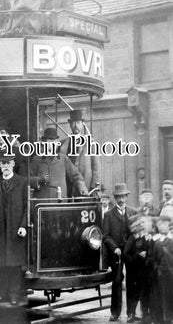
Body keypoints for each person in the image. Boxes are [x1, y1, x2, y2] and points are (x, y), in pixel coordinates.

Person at [0, 155, 28, 306]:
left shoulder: (22, 182)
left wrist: (23, 226)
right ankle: (1, 293)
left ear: (13, 164)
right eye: (2, 163)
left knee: (14, 264)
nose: (5, 166)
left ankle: (14, 295)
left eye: (8, 163)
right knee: (0, 263)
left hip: (15, 229)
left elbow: (27, 208)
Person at [102, 183, 136, 322]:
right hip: (116, 253)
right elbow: (105, 235)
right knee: (116, 282)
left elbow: (135, 233)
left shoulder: (133, 212)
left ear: (126, 197)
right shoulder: (108, 215)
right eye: (118, 197)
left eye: (123, 196)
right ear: (114, 198)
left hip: (130, 252)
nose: (121, 200)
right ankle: (115, 312)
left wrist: (130, 246)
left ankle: (131, 313)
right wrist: (114, 247)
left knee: (131, 281)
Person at [30, 128, 87, 198]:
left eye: (55, 141)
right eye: (50, 141)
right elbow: (28, 179)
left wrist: (82, 188)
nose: (53, 143)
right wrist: (39, 180)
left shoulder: (64, 159)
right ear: (44, 142)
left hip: (60, 201)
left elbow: (76, 175)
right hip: (42, 202)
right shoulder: (36, 160)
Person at [59, 110, 101, 197]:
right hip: (67, 186)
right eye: (73, 123)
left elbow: (96, 167)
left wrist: (94, 188)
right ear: (70, 125)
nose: (75, 126)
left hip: (85, 186)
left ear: (82, 124)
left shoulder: (90, 143)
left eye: (78, 123)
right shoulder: (63, 144)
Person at [123, 215, 148, 323]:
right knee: (132, 293)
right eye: (137, 224)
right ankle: (130, 314)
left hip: (141, 270)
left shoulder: (143, 237)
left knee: (138, 293)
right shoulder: (132, 238)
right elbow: (126, 253)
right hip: (133, 271)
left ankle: (135, 313)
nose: (139, 226)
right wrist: (138, 255)